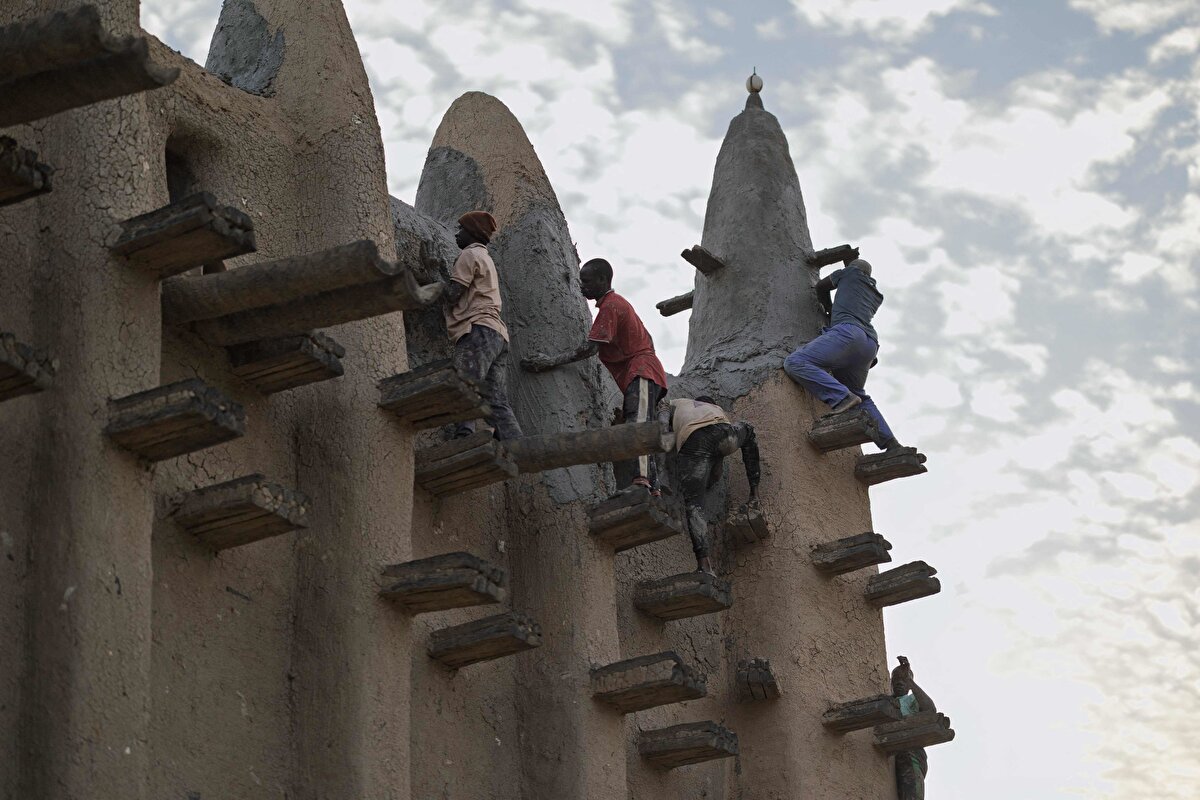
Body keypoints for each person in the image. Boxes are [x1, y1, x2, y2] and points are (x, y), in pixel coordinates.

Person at [521, 258, 669, 491]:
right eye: (580, 281)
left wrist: (549, 362)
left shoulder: (611, 305)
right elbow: (647, 338)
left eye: (587, 281)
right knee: (643, 425)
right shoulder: (617, 304)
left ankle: (642, 482)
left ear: (603, 280)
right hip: (644, 371)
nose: (582, 286)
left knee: (637, 425)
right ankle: (654, 487)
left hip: (642, 371)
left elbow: (589, 348)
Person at [782, 257, 902, 451]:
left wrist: (828, 308)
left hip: (848, 333)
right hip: (870, 344)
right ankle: (891, 444)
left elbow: (821, 287)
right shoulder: (876, 295)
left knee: (795, 362)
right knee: (859, 394)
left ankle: (842, 398)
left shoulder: (850, 273)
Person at [442, 210, 522, 441]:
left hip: (478, 330)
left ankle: (464, 434)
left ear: (471, 232)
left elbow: (453, 293)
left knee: (465, 383)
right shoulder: (486, 258)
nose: (457, 235)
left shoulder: (469, 255)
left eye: (461, 230)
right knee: (496, 398)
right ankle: (516, 444)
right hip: (497, 334)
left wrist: (431, 285)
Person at [666, 396, 761, 575]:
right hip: (725, 433)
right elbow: (717, 460)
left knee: (694, 503)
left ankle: (704, 565)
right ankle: (755, 494)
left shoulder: (676, 401)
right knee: (748, 430)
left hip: (694, 440)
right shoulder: (716, 409)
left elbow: (662, 413)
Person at [891, 656, 937, 800]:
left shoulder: (912, 699)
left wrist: (910, 680)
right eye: (896, 679)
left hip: (911, 752)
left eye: (903, 680)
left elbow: (930, 709)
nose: (899, 682)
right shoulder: (887, 701)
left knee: (912, 792)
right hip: (895, 751)